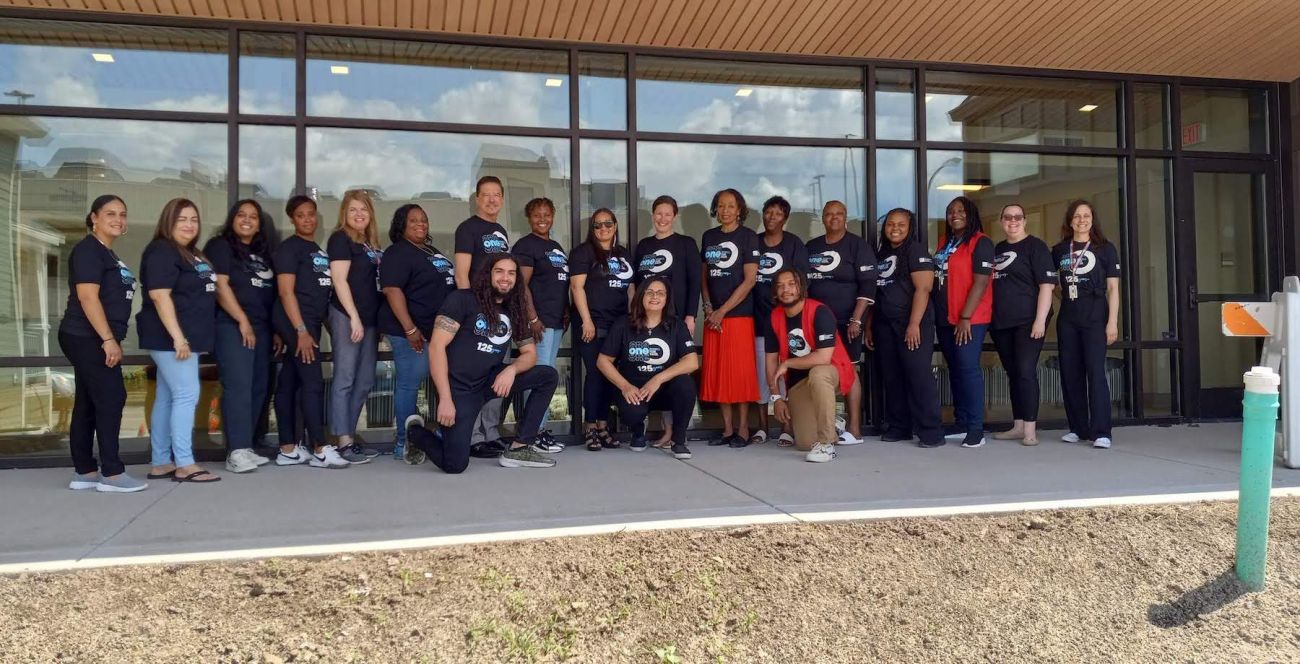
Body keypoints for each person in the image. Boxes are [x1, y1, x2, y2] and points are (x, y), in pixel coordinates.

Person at [404, 254, 560, 472]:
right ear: (488, 274)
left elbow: (530, 354)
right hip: (459, 389)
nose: (505, 278)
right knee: (455, 465)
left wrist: (512, 370)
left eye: (511, 273)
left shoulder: (514, 309)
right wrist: (446, 399)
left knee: (548, 376)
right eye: (499, 271)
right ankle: (416, 433)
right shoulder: (462, 300)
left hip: (490, 380)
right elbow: (437, 348)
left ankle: (519, 447)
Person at [61, 195, 146, 492]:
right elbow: (87, 297)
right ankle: (111, 473)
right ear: (94, 217)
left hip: (92, 336)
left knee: (89, 401)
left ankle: (84, 472)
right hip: (86, 335)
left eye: (123, 214)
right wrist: (108, 339)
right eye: (110, 213)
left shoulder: (108, 254)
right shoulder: (88, 251)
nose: (118, 219)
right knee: (112, 397)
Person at [137, 198, 220, 483]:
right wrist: (178, 338)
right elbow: (160, 295)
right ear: (168, 222)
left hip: (184, 338)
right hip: (172, 339)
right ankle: (184, 463)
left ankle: (161, 461)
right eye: (182, 219)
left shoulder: (188, 253)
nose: (189, 225)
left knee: (168, 397)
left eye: (194, 219)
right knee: (186, 395)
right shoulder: (162, 250)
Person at [272, 195, 348, 468]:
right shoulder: (289, 249)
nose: (307, 219)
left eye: (311, 214)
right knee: (313, 384)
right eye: (301, 215)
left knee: (290, 384)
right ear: (292, 219)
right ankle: (319, 448)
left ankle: (288, 449)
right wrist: (300, 331)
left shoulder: (316, 249)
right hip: (298, 323)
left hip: (310, 323)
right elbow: (285, 292)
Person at [379, 204, 457, 460]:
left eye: (424, 220)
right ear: (401, 224)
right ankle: (404, 442)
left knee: (439, 383)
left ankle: (437, 436)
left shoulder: (429, 250)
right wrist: (410, 328)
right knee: (410, 384)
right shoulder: (397, 253)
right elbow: (392, 290)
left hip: (437, 332)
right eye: (413, 220)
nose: (421, 224)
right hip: (411, 332)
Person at [206, 199, 276, 473]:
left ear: (259, 224)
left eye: (253, 217)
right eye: (241, 215)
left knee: (258, 387)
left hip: (261, 328)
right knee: (238, 387)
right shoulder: (220, 245)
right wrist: (242, 319)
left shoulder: (260, 252)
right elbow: (220, 286)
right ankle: (235, 451)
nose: (247, 220)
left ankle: (246, 446)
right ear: (232, 219)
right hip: (232, 325)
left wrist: (274, 329)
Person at [597, 277, 699, 459]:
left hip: (665, 389)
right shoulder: (624, 324)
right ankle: (638, 430)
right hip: (635, 389)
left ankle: (678, 440)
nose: (655, 297)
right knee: (631, 413)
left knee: (686, 384)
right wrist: (625, 386)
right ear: (640, 296)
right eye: (650, 292)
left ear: (667, 298)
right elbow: (603, 361)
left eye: (660, 293)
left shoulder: (676, 325)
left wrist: (657, 379)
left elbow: (692, 362)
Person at [865, 208, 943, 448]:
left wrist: (913, 324)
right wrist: (869, 326)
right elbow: (874, 293)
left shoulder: (915, 250)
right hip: (884, 324)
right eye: (890, 224)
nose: (894, 228)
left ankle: (931, 432)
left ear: (910, 228)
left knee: (918, 376)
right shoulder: (881, 253)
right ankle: (900, 427)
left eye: (900, 224)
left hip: (911, 324)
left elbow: (923, 289)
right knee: (893, 376)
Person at [764, 268, 856, 463]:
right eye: (780, 286)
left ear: (801, 288)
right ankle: (833, 424)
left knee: (818, 373)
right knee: (805, 443)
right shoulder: (774, 317)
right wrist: (777, 398)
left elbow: (823, 357)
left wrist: (788, 362)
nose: (785, 290)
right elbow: (771, 361)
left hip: (833, 372)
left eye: (791, 284)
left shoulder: (819, 311)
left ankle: (826, 445)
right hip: (800, 383)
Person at [803, 200, 875, 446]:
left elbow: (868, 284)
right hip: (817, 324)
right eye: (829, 214)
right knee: (820, 372)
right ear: (823, 218)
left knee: (850, 372)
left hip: (848, 322)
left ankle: (854, 429)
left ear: (846, 217)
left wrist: (857, 318)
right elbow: (804, 285)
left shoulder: (858, 245)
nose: (834, 218)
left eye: (839, 214)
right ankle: (824, 425)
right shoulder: (811, 247)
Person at [633, 195, 702, 447]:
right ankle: (667, 429)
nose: (662, 218)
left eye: (667, 214)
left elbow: (695, 282)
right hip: (649, 320)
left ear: (675, 217)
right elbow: (636, 285)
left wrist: (690, 316)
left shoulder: (685, 244)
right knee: (656, 365)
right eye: (658, 213)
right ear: (653, 215)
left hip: (677, 320)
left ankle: (680, 429)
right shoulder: (644, 246)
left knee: (678, 373)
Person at [1052, 199, 1121, 449]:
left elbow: (1113, 288)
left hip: (1095, 313)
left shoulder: (1105, 248)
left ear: (1093, 220)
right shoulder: (1059, 250)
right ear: (1070, 220)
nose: (1082, 220)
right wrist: (1069, 295)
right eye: (1077, 216)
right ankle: (1078, 428)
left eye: (1086, 216)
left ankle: (1101, 431)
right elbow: (1056, 285)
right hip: (1069, 315)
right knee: (1070, 372)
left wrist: (1112, 322)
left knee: (1095, 371)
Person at [989, 203, 1056, 446]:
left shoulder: (1035, 247)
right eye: (1008, 217)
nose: (1013, 221)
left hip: (1028, 321)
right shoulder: (998, 249)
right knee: (1013, 373)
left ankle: (1030, 430)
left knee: (1026, 372)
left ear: (1025, 221)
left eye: (1017, 217)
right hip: (1002, 323)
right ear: (1001, 221)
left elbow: (1046, 286)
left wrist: (1040, 320)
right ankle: (1017, 425)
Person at [932, 196, 995, 448]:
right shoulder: (945, 242)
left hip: (970, 319)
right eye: (950, 211)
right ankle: (961, 421)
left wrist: (965, 317)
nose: (955, 214)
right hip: (946, 318)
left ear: (971, 215)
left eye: (960, 211)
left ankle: (976, 428)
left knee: (968, 369)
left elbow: (981, 282)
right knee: (955, 370)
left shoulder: (981, 242)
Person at [700, 188, 761, 448]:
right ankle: (726, 430)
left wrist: (722, 311)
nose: (725, 210)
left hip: (737, 316)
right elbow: (704, 277)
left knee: (739, 374)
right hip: (713, 317)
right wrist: (708, 306)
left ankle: (744, 429)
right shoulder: (709, 237)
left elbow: (750, 280)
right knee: (720, 375)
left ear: (739, 210)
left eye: (731, 206)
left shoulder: (748, 237)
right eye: (721, 206)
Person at [454, 175, 511, 450]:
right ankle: (474, 436)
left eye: (496, 194)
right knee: (475, 376)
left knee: (496, 374)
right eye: (486, 194)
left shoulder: (501, 230)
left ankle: (490, 432)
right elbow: (462, 273)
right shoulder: (467, 229)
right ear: (477, 199)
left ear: (501, 199)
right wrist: (469, 310)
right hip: (477, 313)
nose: (491, 199)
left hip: (500, 314)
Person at [570, 208, 634, 450]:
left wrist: (632, 320)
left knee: (611, 376)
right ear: (592, 229)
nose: (603, 228)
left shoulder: (624, 254)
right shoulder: (583, 253)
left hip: (618, 325)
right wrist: (586, 320)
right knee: (596, 375)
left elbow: (630, 289)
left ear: (615, 226)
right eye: (597, 225)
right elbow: (577, 288)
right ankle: (590, 427)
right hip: (592, 325)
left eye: (608, 223)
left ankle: (604, 425)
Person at [326, 190, 383, 463]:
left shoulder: (369, 244)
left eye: (363, 209)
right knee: (345, 379)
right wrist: (354, 318)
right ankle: (343, 441)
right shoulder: (340, 239)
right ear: (344, 214)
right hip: (347, 316)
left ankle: (348, 434)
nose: (359, 214)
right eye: (353, 210)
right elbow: (339, 281)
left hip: (369, 319)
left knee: (365, 381)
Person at [511, 197, 567, 452]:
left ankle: (536, 430)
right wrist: (532, 318)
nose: (542, 219)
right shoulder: (526, 245)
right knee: (540, 376)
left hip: (555, 322)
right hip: (538, 323)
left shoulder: (555, 246)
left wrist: (565, 310)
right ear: (529, 218)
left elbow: (560, 282)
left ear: (553, 215)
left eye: (547, 214)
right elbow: (520, 286)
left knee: (547, 374)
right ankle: (533, 433)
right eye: (536, 215)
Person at [752, 196, 808, 447]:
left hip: (787, 321)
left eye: (778, 214)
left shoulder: (794, 244)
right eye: (768, 212)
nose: (772, 217)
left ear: (785, 218)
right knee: (762, 374)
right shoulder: (753, 242)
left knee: (786, 372)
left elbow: (802, 283)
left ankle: (786, 427)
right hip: (758, 319)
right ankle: (762, 426)